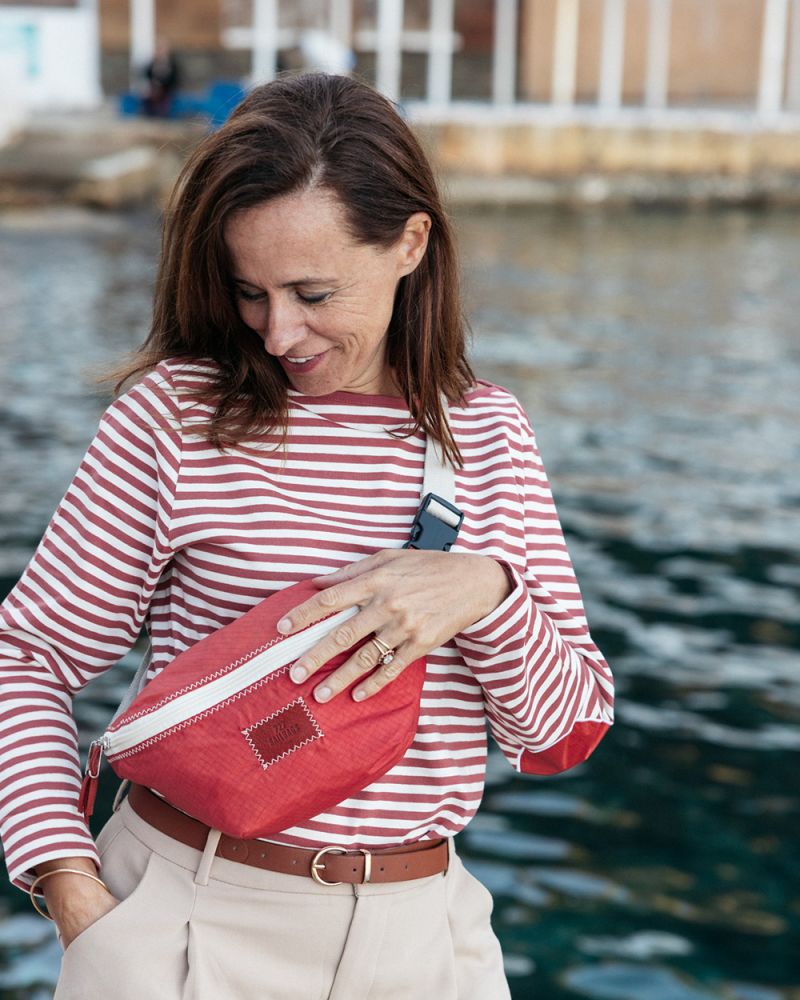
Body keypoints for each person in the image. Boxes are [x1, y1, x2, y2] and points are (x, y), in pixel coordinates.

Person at [0, 73, 614, 999]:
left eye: (313, 291)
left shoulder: (488, 433)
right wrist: (73, 893)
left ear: (411, 242)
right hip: (184, 921)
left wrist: (488, 594)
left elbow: (559, 731)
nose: (278, 330)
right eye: (250, 291)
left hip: (421, 940)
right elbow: (26, 659)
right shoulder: (173, 418)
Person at [142, 37, 180, 117]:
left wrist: (163, 87)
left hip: (168, 93)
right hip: (154, 93)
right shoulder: (151, 65)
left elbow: (175, 80)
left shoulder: (172, 65)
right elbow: (147, 76)